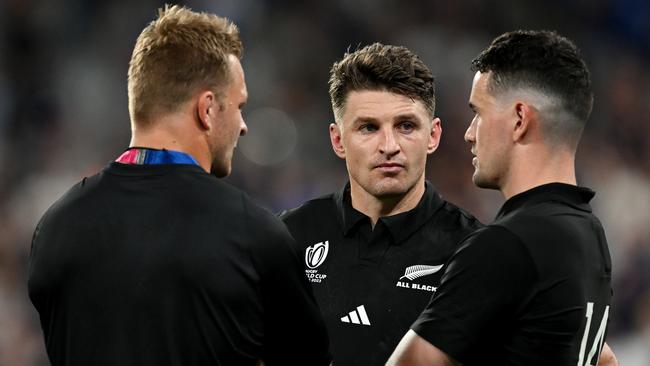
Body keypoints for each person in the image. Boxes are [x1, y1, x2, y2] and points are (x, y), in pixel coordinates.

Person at [27, 5, 330, 366]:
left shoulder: (54, 228)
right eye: (239, 106)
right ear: (207, 109)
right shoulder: (254, 235)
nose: (243, 125)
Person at [388, 30, 615, 366]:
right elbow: (604, 359)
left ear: (520, 119)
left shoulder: (508, 245)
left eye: (478, 112)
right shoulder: (589, 234)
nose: (469, 133)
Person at [279, 43, 483, 365]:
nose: (389, 146)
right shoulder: (288, 237)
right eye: (368, 127)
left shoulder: (475, 252)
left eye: (406, 126)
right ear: (337, 140)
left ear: (433, 135)